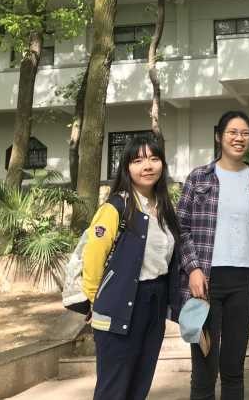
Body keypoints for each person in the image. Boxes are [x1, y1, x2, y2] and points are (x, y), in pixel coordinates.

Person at [177, 110, 249, 400]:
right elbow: (181, 228)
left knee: (233, 368)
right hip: (207, 281)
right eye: (232, 132)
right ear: (219, 136)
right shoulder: (198, 177)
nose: (239, 138)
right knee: (204, 369)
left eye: (245, 133)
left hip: (245, 282)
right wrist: (193, 269)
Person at [83, 135, 181, 400]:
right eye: (138, 160)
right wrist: (96, 300)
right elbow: (93, 256)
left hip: (155, 301)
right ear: (127, 168)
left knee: (140, 383)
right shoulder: (116, 207)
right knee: (114, 388)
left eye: (154, 158)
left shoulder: (164, 208)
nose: (147, 166)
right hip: (121, 303)